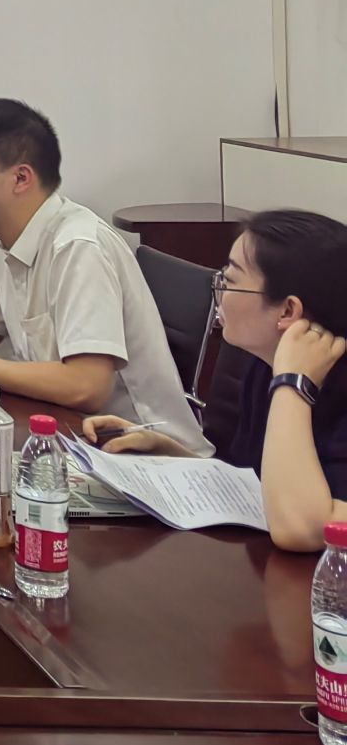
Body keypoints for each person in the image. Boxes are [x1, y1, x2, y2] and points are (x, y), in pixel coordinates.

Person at [0, 98, 208, 452]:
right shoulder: (3, 236)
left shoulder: (78, 247)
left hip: (144, 456)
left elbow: (86, 386)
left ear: (20, 178)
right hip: (68, 435)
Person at [83, 209, 347, 551]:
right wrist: (166, 452)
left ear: (287, 311)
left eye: (231, 279)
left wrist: (293, 384)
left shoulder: (296, 378)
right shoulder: (265, 364)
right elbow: (254, 486)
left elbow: (299, 529)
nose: (218, 287)